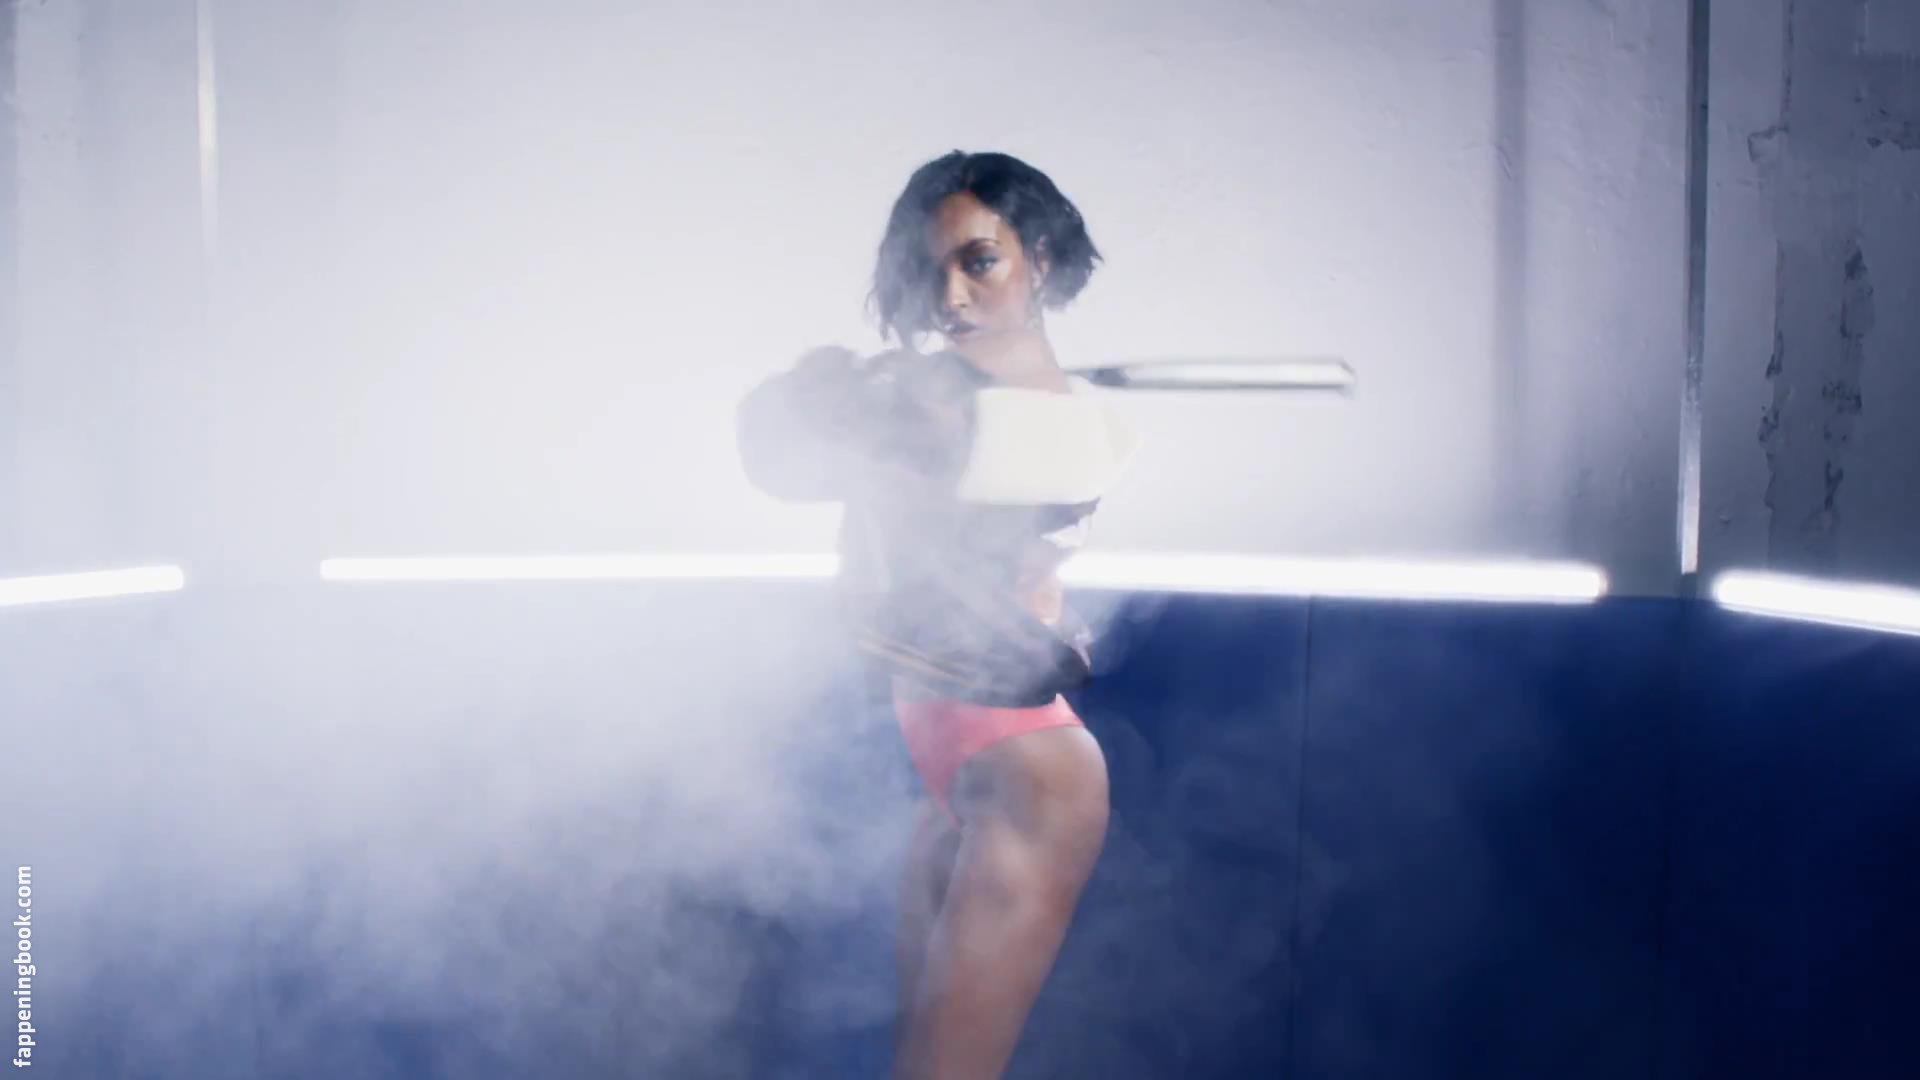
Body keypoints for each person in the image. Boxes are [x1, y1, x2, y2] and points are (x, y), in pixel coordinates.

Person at [736, 150, 1136, 1079]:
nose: (951, 295)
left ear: (1039, 256)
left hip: (1027, 767)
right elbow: (772, 462)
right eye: (932, 270)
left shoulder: (1069, 422)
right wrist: (817, 395)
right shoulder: (927, 398)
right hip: (951, 755)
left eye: (979, 260)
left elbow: (1016, 468)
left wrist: (904, 418)